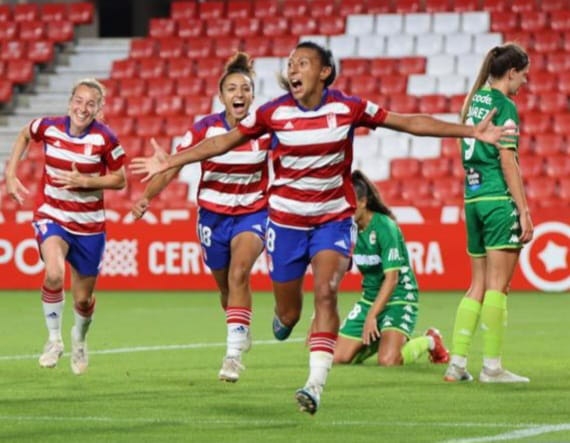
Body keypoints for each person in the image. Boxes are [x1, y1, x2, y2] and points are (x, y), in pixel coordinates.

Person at [130, 41, 515, 414]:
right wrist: (171, 161)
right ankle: (283, 321)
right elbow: (224, 142)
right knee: (290, 312)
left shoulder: (348, 107)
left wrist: (469, 131)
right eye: (291, 63)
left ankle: (314, 385)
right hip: (285, 220)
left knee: (327, 293)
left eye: (302, 63)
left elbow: (408, 122)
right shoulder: (273, 112)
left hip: (332, 219)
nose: (293, 69)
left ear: (324, 72)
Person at [131, 52, 270, 383]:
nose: (239, 94)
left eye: (245, 88)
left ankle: (233, 355)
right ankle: (240, 325)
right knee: (225, 287)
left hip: (252, 213)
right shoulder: (204, 129)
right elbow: (173, 165)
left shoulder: (265, 130)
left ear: (252, 95)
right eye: (232, 88)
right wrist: (147, 197)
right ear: (221, 96)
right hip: (213, 218)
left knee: (239, 273)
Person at [5, 78, 127, 375]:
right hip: (52, 215)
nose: (83, 108)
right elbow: (24, 133)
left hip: (89, 226)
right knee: (55, 273)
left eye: (90, 104)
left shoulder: (105, 138)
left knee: (83, 298)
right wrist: (10, 173)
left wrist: (87, 182)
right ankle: (54, 339)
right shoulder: (48, 127)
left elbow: (120, 179)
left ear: (99, 109)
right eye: (79, 101)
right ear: (70, 101)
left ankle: (80, 338)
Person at [443, 43, 533, 383]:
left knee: (476, 285)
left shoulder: (472, 101)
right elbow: (508, 160)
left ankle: (457, 363)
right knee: (499, 287)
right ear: (511, 73)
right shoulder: (504, 106)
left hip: (473, 199)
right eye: (523, 75)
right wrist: (523, 210)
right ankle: (492, 367)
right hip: (497, 201)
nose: (525, 82)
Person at [333, 170, 449, 367]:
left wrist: (371, 316)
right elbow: (333, 271)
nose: (345, 210)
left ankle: (431, 340)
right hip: (370, 297)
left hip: (399, 296)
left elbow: (392, 279)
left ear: (363, 202)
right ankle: (380, 338)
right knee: (338, 358)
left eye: (350, 205)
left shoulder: (385, 227)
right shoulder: (346, 228)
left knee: (389, 361)